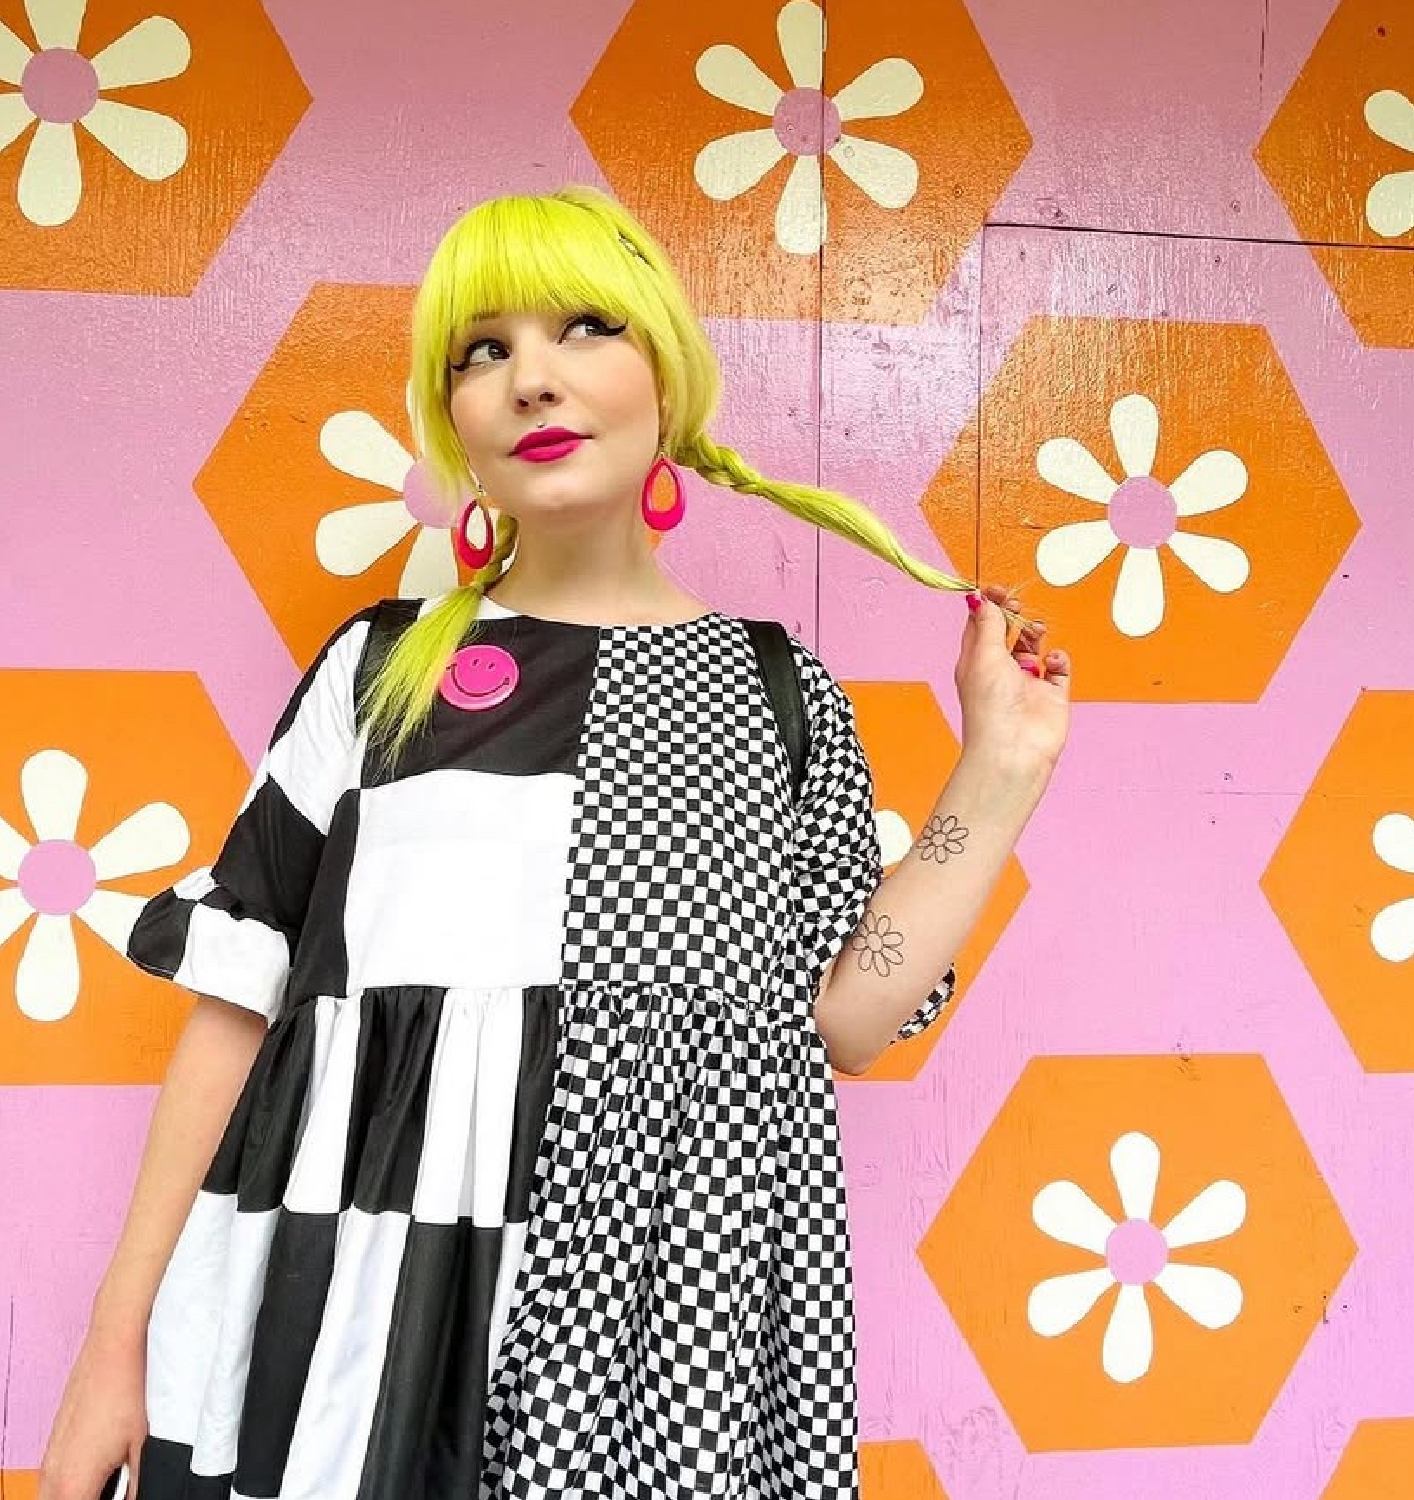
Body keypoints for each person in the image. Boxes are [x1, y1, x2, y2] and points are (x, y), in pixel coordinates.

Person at [38, 185, 1070, 1500]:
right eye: (482, 350)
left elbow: (850, 1015)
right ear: (456, 423)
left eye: (583, 327)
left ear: (666, 381)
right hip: (360, 1307)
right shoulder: (377, 675)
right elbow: (236, 1009)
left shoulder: (771, 691)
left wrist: (999, 767)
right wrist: (110, 1350)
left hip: (665, 1343)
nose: (531, 379)